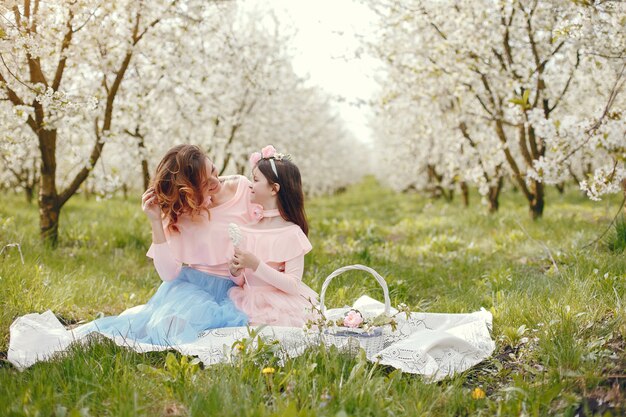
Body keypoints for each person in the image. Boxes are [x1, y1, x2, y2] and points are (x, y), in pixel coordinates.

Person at [73, 144, 257, 345]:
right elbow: (168, 274)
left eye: (213, 170)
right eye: (204, 183)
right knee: (167, 328)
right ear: (188, 191)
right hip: (193, 288)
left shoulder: (241, 187)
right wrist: (156, 221)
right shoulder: (182, 213)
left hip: (240, 284)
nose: (215, 182)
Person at [228, 145, 318, 327]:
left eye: (255, 180)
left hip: (278, 306)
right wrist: (235, 271)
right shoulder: (246, 230)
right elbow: (240, 280)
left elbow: (292, 285)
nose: (250, 185)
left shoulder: (291, 233)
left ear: (273, 189)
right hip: (245, 300)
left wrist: (256, 264)